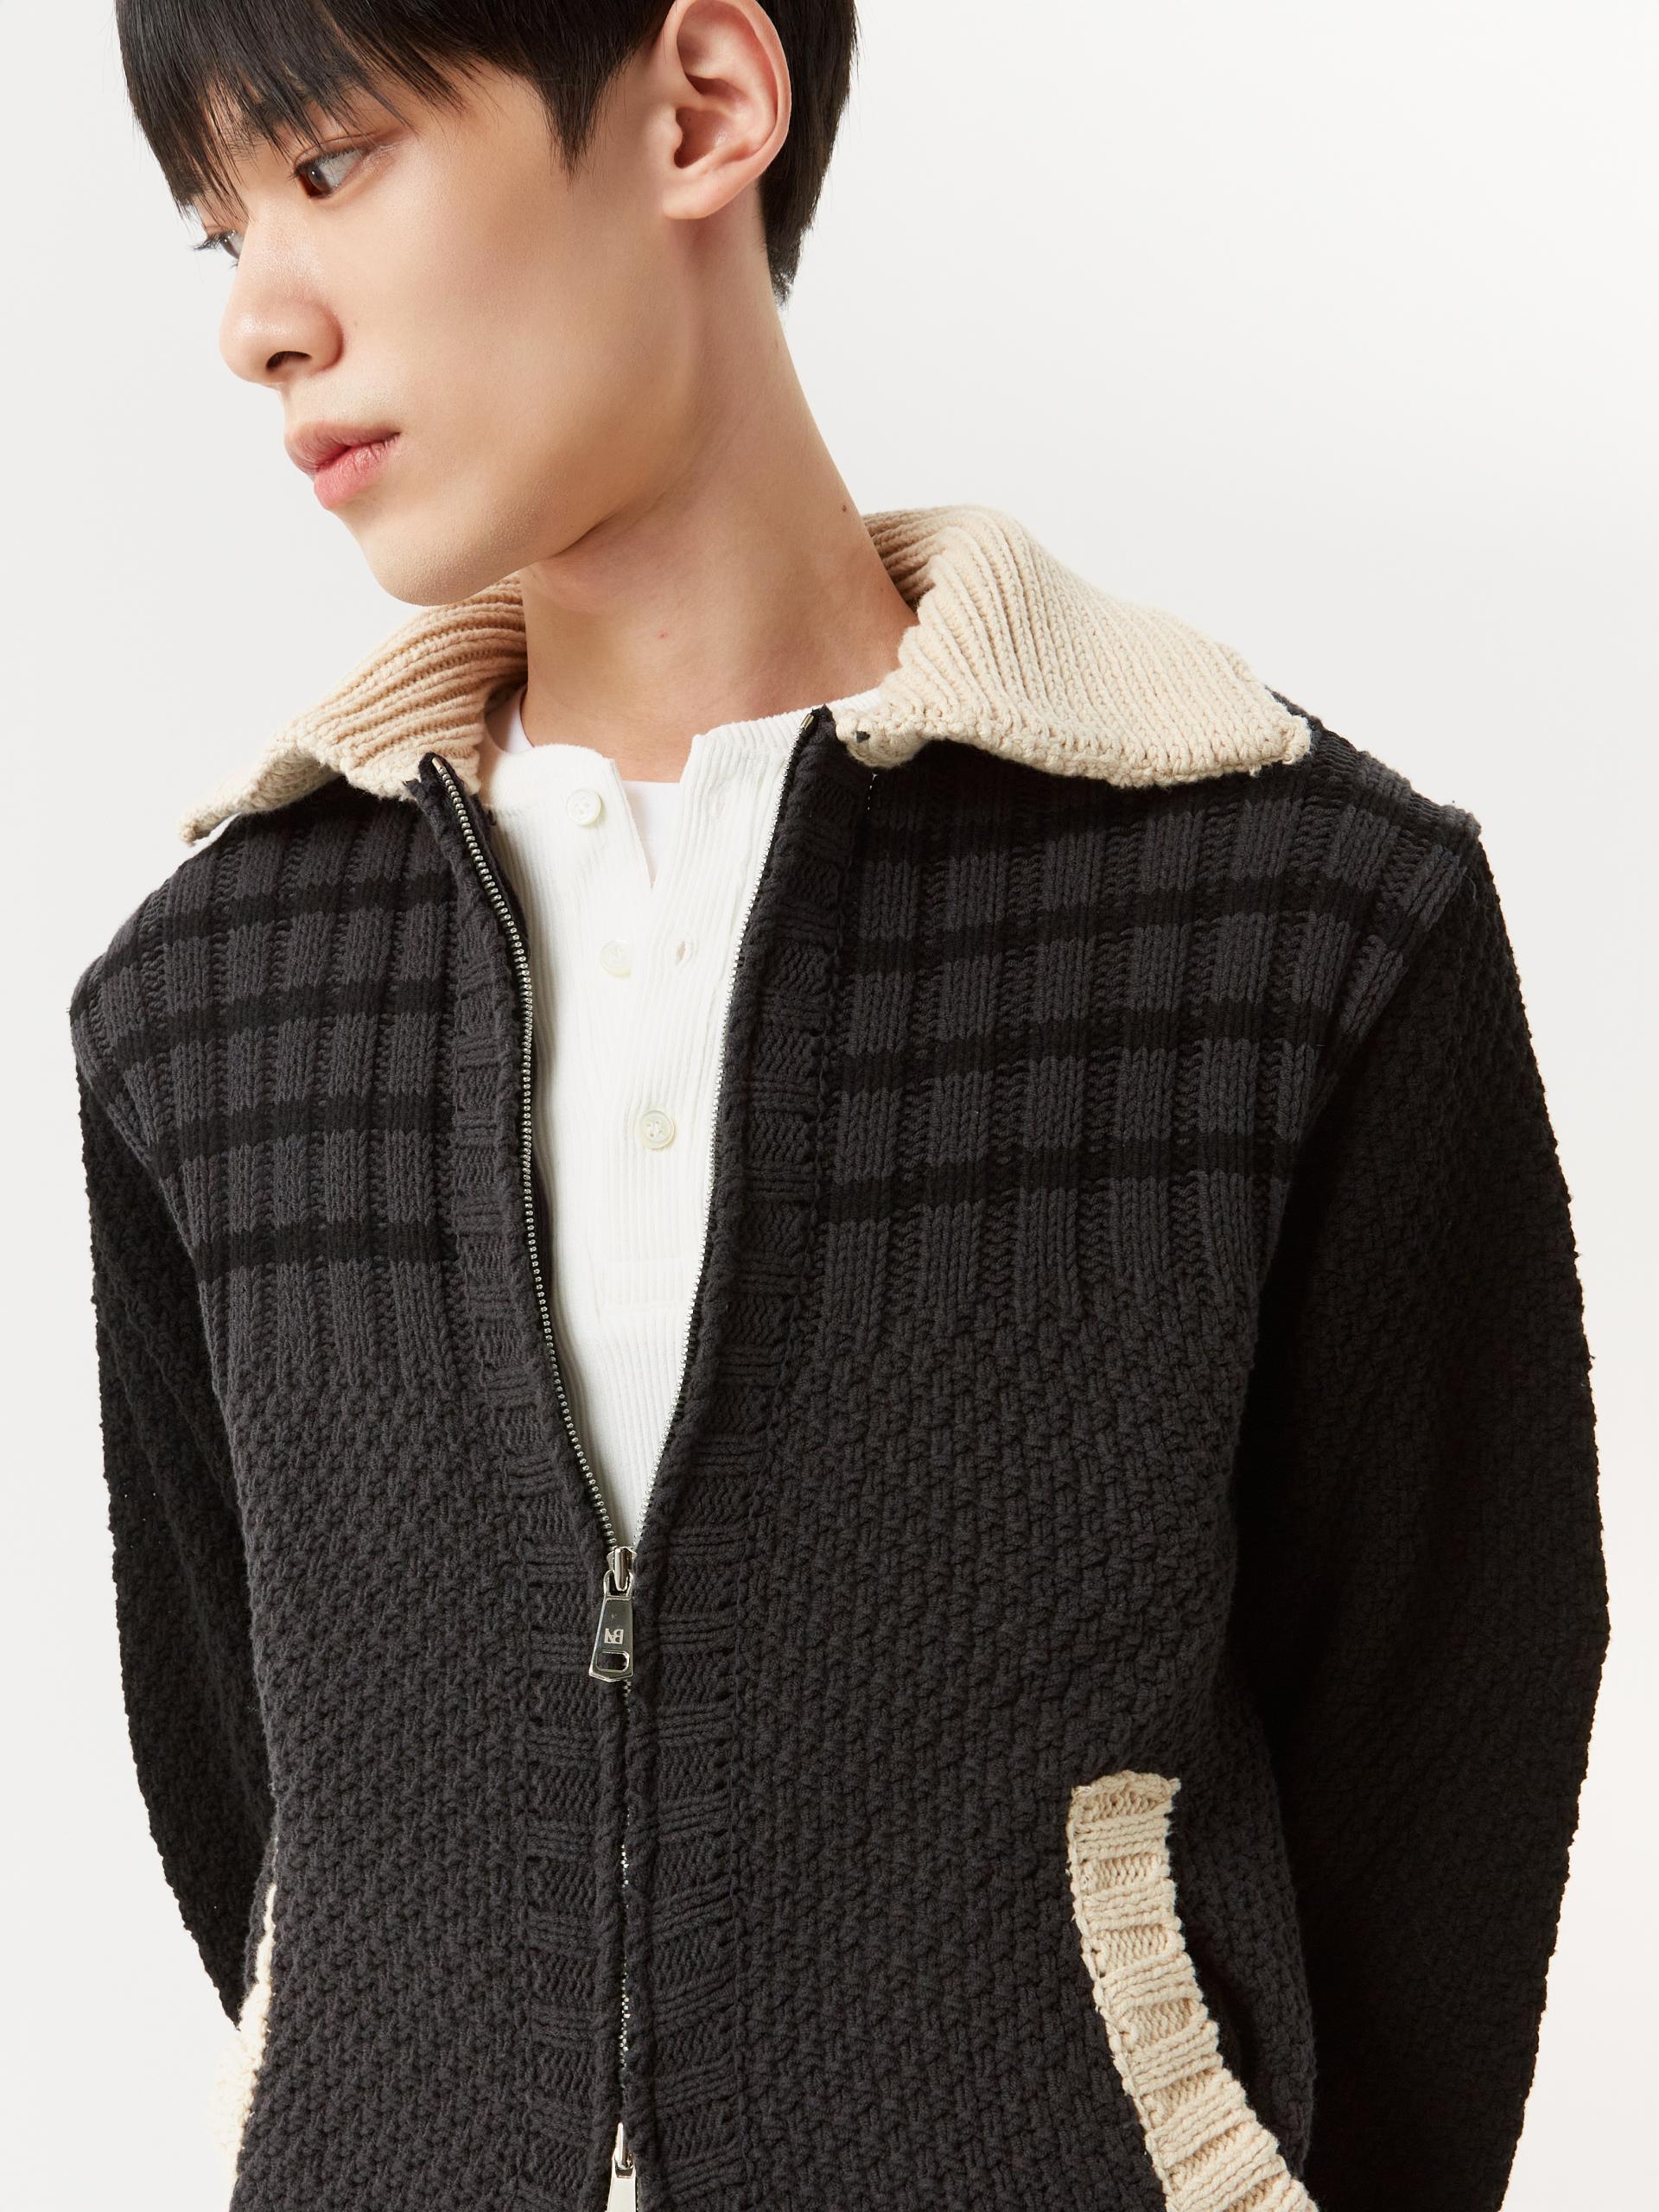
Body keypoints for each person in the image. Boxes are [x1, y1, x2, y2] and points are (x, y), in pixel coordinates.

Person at [69, 4, 1610, 2209]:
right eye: (219, 227)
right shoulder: (210, 1003)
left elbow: (1447, 1740)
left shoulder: (1292, 921)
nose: (258, 320)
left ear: (705, 104)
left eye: (329, 166)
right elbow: (263, 1801)